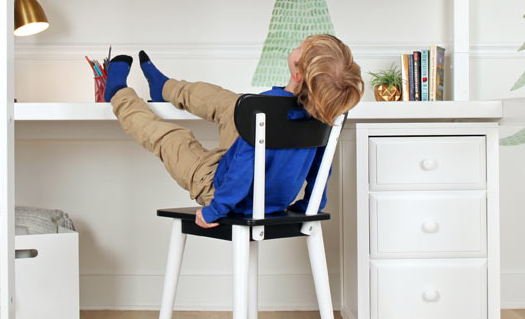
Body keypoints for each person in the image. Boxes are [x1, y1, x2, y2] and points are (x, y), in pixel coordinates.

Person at [103, 35, 364, 228]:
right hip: (264, 195)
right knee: (234, 105)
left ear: (297, 74)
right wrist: (311, 205)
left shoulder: (266, 107)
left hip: (223, 192)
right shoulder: (322, 114)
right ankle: (165, 88)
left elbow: (241, 172)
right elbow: (321, 169)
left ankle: (117, 93)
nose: (296, 45)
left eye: (300, 47)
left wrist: (214, 211)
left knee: (172, 139)